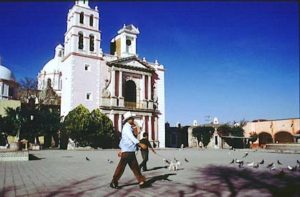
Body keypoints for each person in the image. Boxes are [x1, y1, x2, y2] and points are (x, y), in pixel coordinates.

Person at [110, 111, 147, 189]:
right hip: (128, 151)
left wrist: (121, 150)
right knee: (122, 167)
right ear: (128, 119)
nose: (133, 119)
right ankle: (114, 181)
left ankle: (141, 181)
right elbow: (131, 138)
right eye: (132, 118)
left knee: (134, 167)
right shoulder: (127, 127)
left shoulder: (128, 127)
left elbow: (123, 140)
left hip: (129, 150)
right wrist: (140, 144)